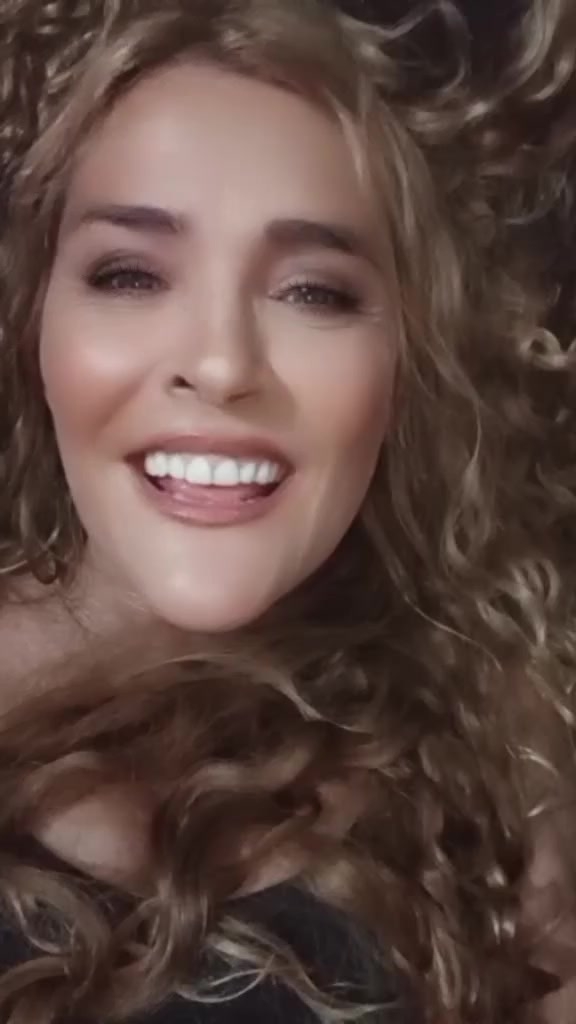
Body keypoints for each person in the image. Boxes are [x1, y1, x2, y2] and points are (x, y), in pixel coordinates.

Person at [0, 0, 570, 1021]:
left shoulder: (494, 774)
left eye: (314, 292)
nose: (222, 364)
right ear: (36, 322)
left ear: (406, 361)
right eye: (130, 273)